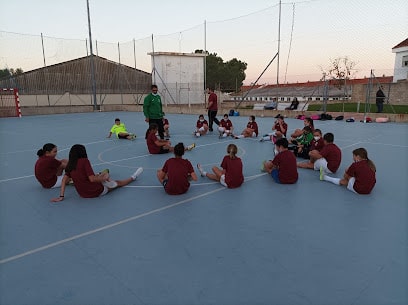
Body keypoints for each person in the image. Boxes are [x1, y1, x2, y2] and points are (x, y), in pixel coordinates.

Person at [50, 144, 143, 201]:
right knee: (117, 183)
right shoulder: (84, 161)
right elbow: (92, 179)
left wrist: (61, 196)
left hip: (82, 193)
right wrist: (105, 178)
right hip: (94, 191)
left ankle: (105, 177)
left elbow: (64, 180)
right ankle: (133, 177)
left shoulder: (71, 164)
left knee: (100, 175)